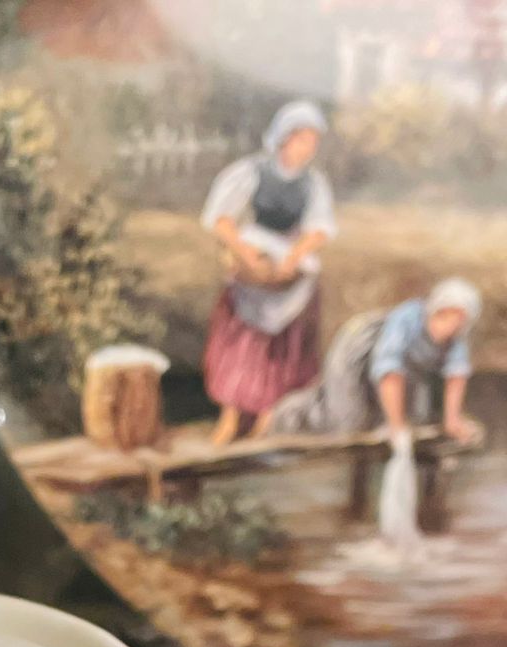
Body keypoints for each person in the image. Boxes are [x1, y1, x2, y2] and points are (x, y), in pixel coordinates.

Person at [200, 100, 336, 446]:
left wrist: (295, 256)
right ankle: (231, 416)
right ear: (284, 138)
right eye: (303, 140)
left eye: (313, 142)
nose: (308, 148)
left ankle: (267, 416)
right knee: (244, 342)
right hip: (256, 245)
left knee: (283, 345)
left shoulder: (313, 183)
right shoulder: (252, 171)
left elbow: (319, 229)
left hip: (288, 252)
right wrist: (244, 252)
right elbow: (221, 219)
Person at [270, 277, 482, 442]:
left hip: (400, 370)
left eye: (458, 321)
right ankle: (292, 411)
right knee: (348, 424)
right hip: (356, 353)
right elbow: (389, 373)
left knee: (416, 420)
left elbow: (456, 376)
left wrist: (453, 421)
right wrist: (396, 427)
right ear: (434, 310)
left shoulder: (457, 340)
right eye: (445, 316)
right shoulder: (405, 320)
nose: (450, 326)